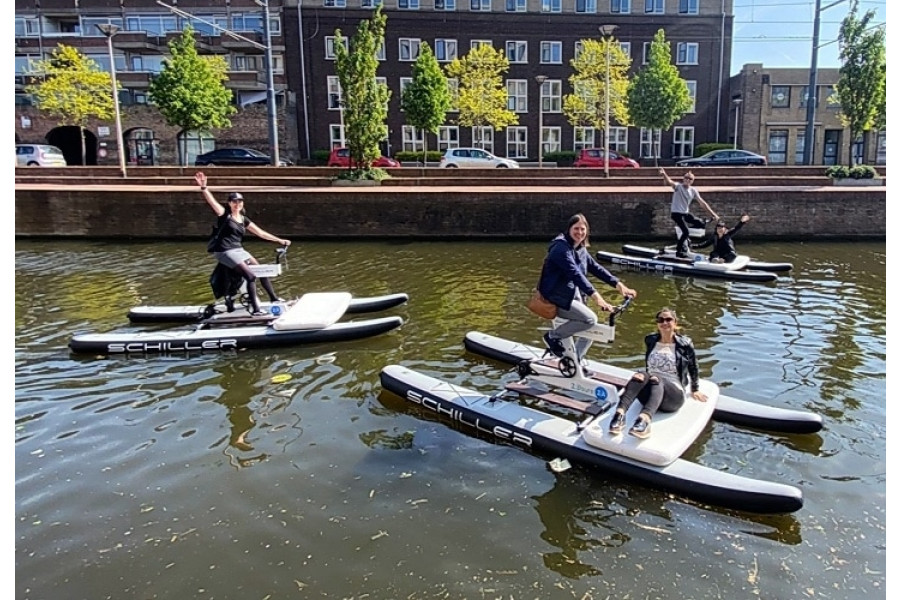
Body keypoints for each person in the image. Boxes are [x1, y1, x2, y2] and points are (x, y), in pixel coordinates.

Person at [537, 213, 637, 363]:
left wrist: (619, 285)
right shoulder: (560, 249)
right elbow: (575, 274)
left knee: (591, 329)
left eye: (583, 229)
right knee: (589, 319)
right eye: (576, 229)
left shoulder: (579, 248)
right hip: (555, 297)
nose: (580, 233)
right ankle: (552, 336)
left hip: (571, 293)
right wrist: (597, 298)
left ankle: (573, 362)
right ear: (569, 229)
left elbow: (595, 268)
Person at [195, 171, 291, 316]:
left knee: (262, 271)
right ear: (229, 203)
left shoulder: (243, 219)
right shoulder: (224, 215)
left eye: (239, 201)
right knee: (250, 276)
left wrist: (279, 240)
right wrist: (204, 188)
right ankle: (256, 309)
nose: (237, 204)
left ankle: (274, 299)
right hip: (224, 251)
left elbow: (261, 233)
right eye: (234, 201)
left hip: (238, 250)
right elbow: (212, 202)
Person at [608, 307, 707, 439]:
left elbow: (693, 366)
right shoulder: (650, 340)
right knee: (639, 375)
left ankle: (644, 421)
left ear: (675, 323)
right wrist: (644, 376)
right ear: (657, 323)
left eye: (668, 319)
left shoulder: (685, 344)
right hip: (651, 391)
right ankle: (619, 416)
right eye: (661, 320)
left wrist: (695, 389)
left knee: (656, 378)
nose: (664, 323)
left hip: (673, 396)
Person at [658, 168, 719, 258]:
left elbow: (702, 203)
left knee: (700, 223)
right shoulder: (678, 187)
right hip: (676, 214)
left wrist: (713, 214)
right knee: (686, 232)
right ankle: (679, 251)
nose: (687, 180)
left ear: (692, 181)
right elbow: (669, 182)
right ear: (683, 179)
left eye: (690, 179)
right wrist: (664, 174)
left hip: (685, 213)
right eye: (686, 178)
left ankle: (688, 238)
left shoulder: (693, 190)